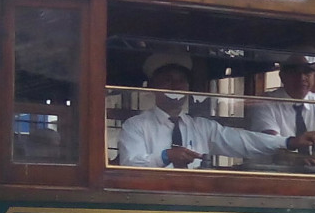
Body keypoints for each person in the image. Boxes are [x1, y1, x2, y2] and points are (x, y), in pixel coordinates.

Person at [115, 55, 286, 168]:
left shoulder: (202, 127)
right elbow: (130, 164)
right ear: (153, 87)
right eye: (167, 80)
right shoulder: (136, 126)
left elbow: (245, 142)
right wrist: (165, 156)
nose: (175, 86)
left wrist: (287, 142)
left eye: (181, 81)